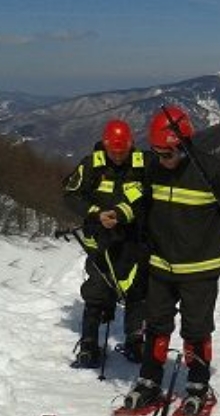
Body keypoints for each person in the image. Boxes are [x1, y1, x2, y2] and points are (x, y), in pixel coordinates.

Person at [123, 106, 220, 416]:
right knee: (156, 325)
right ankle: (149, 380)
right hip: (160, 266)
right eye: (156, 152)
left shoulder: (212, 172)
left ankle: (197, 385)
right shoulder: (154, 169)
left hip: (200, 269)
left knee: (195, 329)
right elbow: (141, 202)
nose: (161, 158)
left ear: (183, 146)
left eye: (167, 152)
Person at [62, 119, 149, 368]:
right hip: (100, 239)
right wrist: (95, 213)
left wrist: (126, 213)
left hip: (134, 238)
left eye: (123, 151)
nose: (119, 157)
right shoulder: (91, 165)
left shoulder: (142, 164)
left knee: (137, 288)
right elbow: (70, 195)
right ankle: (89, 342)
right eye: (114, 151)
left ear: (131, 145)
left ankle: (136, 338)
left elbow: (151, 193)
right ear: (106, 146)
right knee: (98, 287)